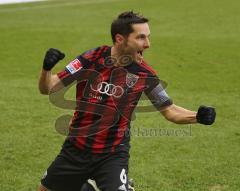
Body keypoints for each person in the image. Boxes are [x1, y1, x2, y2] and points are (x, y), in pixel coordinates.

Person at [38, 11, 216, 191]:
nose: (147, 44)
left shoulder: (146, 75)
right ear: (120, 39)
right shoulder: (91, 58)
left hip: (112, 154)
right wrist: (47, 69)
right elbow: (48, 88)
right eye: (140, 38)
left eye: (148, 37)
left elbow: (169, 110)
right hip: (76, 149)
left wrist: (198, 116)